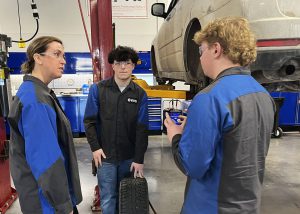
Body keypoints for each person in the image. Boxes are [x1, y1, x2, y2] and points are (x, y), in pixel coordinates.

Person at [164, 17, 275, 214]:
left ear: (216, 49)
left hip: (210, 207)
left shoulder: (209, 98)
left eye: (201, 50)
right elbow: (237, 139)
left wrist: (176, 136)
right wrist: (198, 125)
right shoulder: (263, 95)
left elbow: (193, 165)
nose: (199, 58)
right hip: (249, 206)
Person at [8, 36, 82, 214]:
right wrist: (63, 205)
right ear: (38, 58)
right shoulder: (35, 100)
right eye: (57, 54)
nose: (63, 60)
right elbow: (47, 160)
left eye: (63, 55)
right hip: (45, 203)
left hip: (46, 198)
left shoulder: (38, 93)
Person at [84, 45, 149, 214]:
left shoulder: (140, 94)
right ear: (112, 65)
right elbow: (89, 122)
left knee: (127, 198)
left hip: (129, 158)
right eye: (119, 63)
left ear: (133, 66)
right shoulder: (98, 90)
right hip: (105, 157)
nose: (123, 67)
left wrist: (139, 159)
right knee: (107, 198)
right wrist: (95, 148)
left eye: (127, 63)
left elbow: (142, 129)